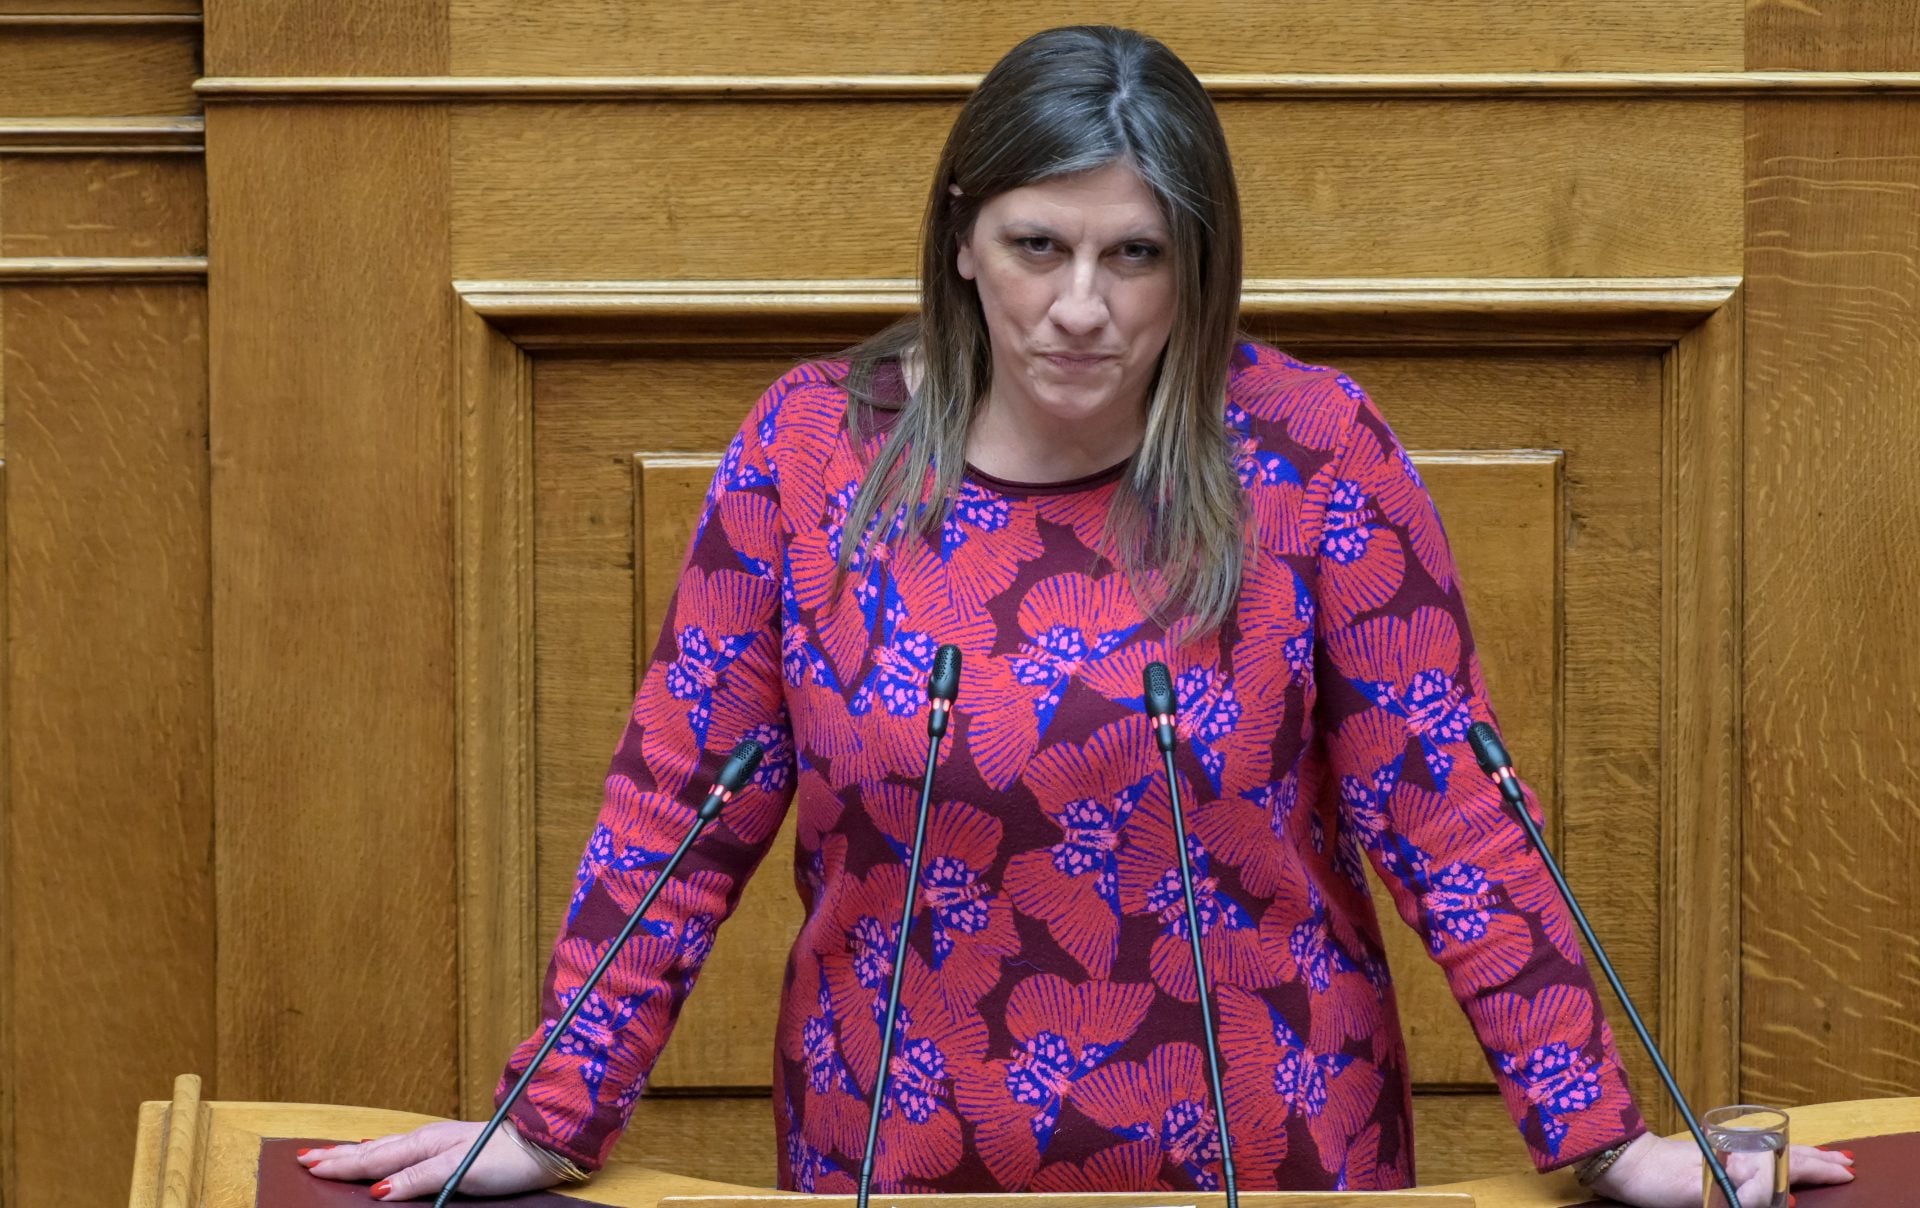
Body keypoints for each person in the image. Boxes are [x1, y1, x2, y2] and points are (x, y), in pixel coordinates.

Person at [301, 25, 1856, 1206]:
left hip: (1271, 1153)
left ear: (1197, 266)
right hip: (889, 1153)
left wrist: (1606, 1140)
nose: (1081, 307)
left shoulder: (1312, 452)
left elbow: (1449, 811)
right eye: (1038, 246)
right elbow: (677, 810)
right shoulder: (808, 451)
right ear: (962, 236)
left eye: (1136, 256)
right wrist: (552, 1111)